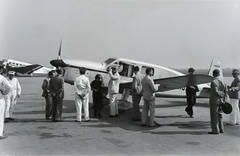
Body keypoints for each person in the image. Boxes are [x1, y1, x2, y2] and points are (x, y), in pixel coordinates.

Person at [209, 69, 227, 134]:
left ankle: (215, 130)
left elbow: (215, 91)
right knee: (220, 114)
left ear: (213, 74)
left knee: (214, 114)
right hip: (221, 100)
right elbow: (226, 91)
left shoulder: (213, 82)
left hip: (214, 100)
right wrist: (224, 98)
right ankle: (221, 128)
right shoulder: (223, 82)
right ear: (219, 74)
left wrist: (220, 94)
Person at [0, 64, 11, 139]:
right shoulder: (2, 78)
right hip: (0, 99)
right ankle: (0, 133)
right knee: (0, 116)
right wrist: (3, 91)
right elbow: (8, 87)